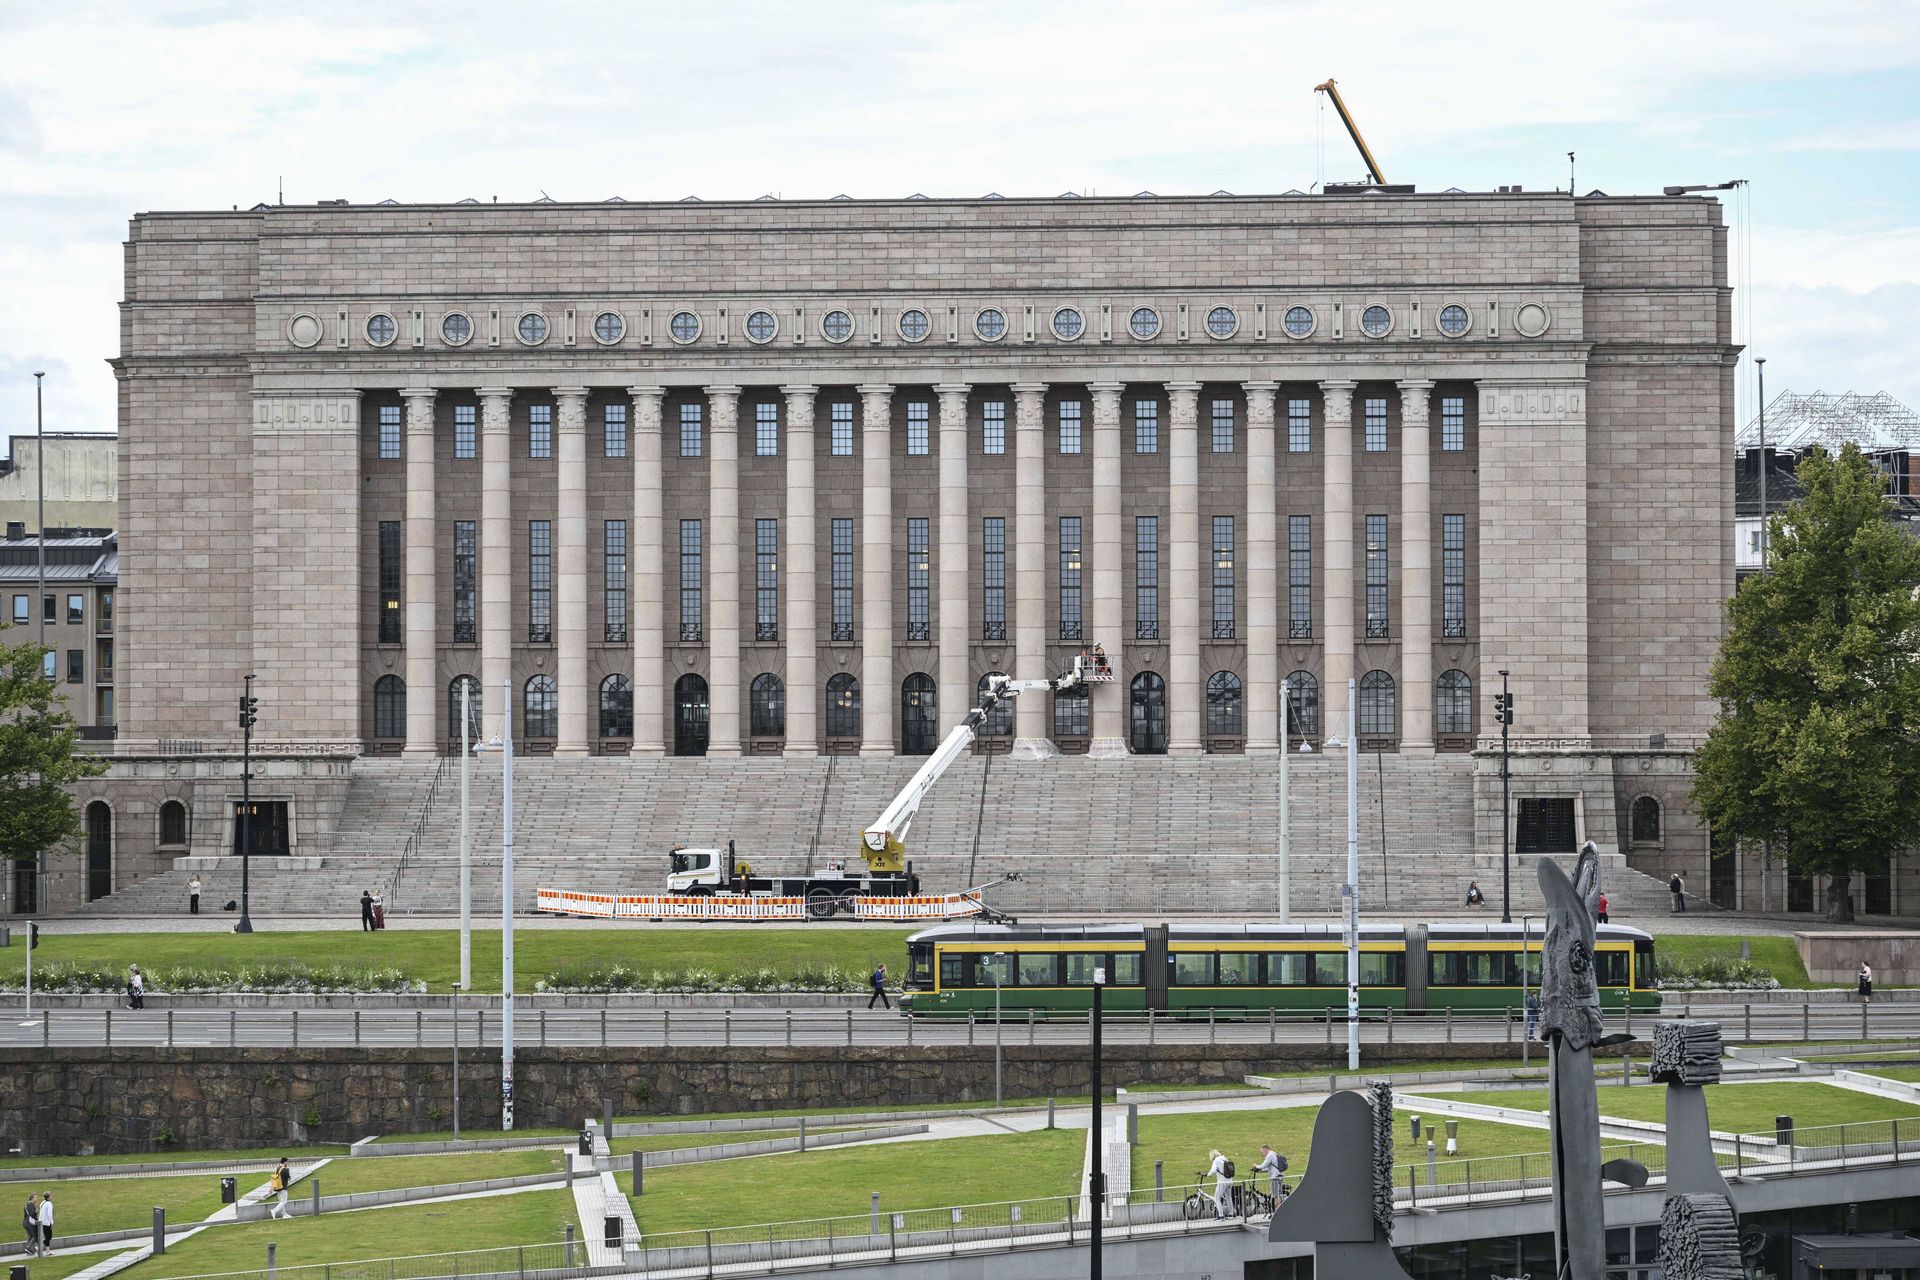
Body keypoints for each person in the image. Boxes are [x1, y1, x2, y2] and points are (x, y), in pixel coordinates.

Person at [1205, 1149, 1234, 1218]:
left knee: (1217, 1198)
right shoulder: (1224, 1159)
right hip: (1230, 1181)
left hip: (1222, 1183)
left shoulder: (1216, 1160)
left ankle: (1221, 1216)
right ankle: (1231, 1214)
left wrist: (1208, 1175)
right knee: (1229, 1198)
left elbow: (1213, 1170)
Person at [23, 1192, 39, 1256]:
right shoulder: (30, 1204)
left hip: (26, 1223)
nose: (37, 1199)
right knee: (35, 1236)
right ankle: (28, 1248)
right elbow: (32, 1214)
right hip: (30, 1223)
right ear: (32, 1198)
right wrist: (36, 1211)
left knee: (31, 1236)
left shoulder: (28, 1204)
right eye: (35, 1197)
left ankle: (27, 1249)